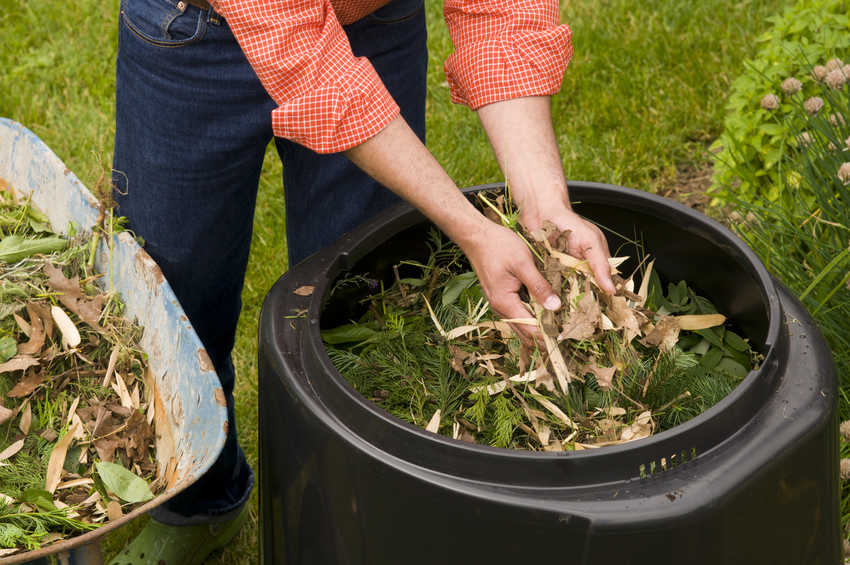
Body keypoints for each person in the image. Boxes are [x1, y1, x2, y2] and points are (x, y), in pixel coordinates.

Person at [108, 0, 615, 563]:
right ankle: (198, 504)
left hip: (371, 22)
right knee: (175, 306)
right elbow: (309, 65)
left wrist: (544, 210)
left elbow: (500, 12)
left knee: (360, 306)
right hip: (193, 42)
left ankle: (350, 507)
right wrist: (471, 229)